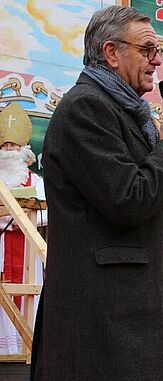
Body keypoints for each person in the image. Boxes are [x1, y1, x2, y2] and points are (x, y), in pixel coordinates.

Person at [30, 6, 163, 380]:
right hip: (103, 321)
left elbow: (139, 189)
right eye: (147, 49)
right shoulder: (86, 108)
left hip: (127, 316)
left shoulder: (125, 111)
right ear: (111, 52)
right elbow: (127, 200)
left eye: (158, 51)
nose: (157, 61)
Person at [0, 102, 47, 355]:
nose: (9, 151)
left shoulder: (36, 182)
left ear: (23, 150)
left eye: (14, 146)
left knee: (30, 299)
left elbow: (48, 213)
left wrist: (24, 219)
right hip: (1, 247)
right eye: (5, 146)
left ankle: (27, 349)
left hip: (29, 250)